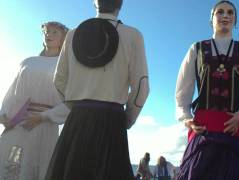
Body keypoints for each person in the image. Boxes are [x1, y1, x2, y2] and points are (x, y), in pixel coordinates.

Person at [44, 0, 149, 179]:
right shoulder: (133, 35)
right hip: (112, 120)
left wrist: (75, 108)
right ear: (121, 4)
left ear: (95, 3)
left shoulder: (73, 34)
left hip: (78, 119)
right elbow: (141, 87)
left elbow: (59, 81)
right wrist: (128, 119)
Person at [175, 1, 239, 179]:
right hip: (203, 127)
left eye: (230, 13)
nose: (225, 16)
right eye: (220, 12)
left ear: (235, 20)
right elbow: (182, 91)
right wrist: (187, 119)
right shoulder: (197, 49)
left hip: (234, 126)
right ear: (211, 19)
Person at [0, 21, 69, 180]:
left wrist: (44, 116)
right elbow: (12, 93)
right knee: (10, 168)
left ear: (63, 39)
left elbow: (69, 100)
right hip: (17, 123)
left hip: (44, 124)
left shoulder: (65, 65)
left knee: (37, 169)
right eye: (47, 31)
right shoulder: (27, 62)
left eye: (54, 32)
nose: (48, 35)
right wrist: (4, 116)